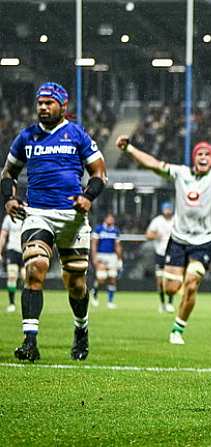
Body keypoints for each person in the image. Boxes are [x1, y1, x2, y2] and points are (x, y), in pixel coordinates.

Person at [115, 121, 211, 344]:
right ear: (194, 157)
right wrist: (129, 148)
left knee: (191, 283)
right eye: (200, 153)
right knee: (171, 287)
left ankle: (177, 329)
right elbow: (153, 164)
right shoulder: (180, 173)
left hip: (203, 242)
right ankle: (175, 294)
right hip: (178, 239)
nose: (204, 157)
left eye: (208, 154)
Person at [2, 82, 107, 362]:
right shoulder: (26, 137)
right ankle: (30, 342)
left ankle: (81, 328)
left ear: (63, 106)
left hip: (72, 217)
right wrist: (9, 199)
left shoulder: (77, 135)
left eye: (49, 102)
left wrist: (88, 197)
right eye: (40, 103)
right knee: (35, 268)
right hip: (37, 213)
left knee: (75, 283)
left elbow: (99, 173)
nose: (43, 107)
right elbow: (8, 174)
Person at [146, 201, 175, 313]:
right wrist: (156, 235)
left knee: (171, 280)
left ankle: (170, 303)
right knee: (160, 282)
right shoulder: (157, 221)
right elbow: (148, 235)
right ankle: (162, 304)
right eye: (166, 209)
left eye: (169, 209)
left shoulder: (176, 220)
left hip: (172, 254)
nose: (168, 211)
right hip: (160, 254)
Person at [90, 213, 122, 309]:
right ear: (105, 219)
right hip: (101, 255)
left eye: (112, 218)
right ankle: (94, 293)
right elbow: (94, 244)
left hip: (112, 256)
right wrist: (94, 257)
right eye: (109, 218)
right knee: (101, 278)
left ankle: (110, 301)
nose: (111, 220)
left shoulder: (115, 230)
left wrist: (119, 259)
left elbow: (118, 246)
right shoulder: (99, 229)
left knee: (112, 278)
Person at [0, 214, 24, 312]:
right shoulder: (8, 217)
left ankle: (27, 302)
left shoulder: (27, 215)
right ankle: (11, 303)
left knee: (26, 277)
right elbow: (3, 235)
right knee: (12, 275)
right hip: (12, 250)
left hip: (24, 249)